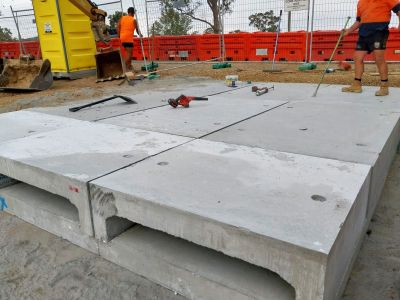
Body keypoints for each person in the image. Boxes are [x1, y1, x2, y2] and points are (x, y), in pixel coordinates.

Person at [342, 0, 400, 96]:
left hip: (379, 30)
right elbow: (359, 20)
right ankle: (357, 85)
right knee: (357, 57)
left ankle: (384, 86)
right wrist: (348, 30)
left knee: (378, 58)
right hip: (364, 32)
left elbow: (399, 9)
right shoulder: (361, 2)